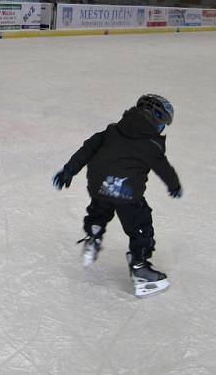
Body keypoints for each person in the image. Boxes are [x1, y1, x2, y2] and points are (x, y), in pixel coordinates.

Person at [52, 94, 181, 298]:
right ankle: (140, 268)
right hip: (127, 191)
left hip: (99, 183)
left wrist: (68, 171)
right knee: (140, 223)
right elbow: (163, 168)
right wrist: (174, 185)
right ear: (156, 119)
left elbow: (87, 149)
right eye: (163, 125)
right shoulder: (151, 144)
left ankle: (94, 233)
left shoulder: (112, 130)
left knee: (101, 205)